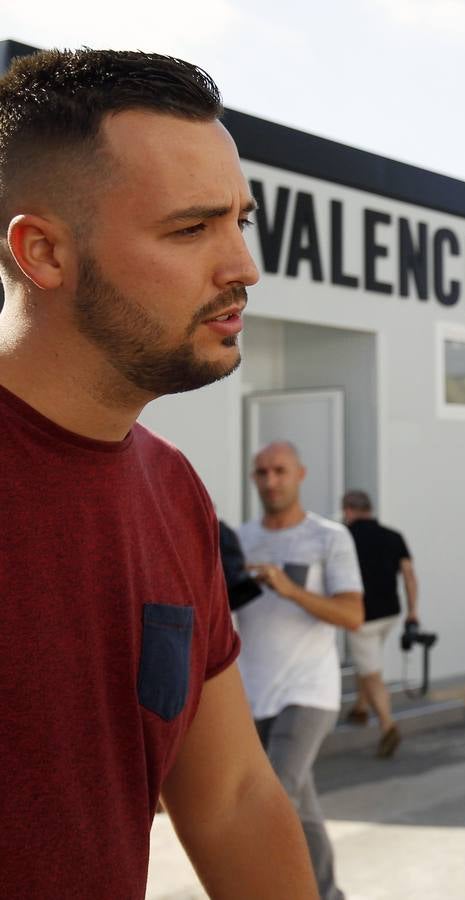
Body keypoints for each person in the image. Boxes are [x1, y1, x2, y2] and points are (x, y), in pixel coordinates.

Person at [0, 49, 315, 898]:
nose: (243, 266)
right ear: (43, 253)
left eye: (240, 221)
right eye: (190, 228)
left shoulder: (173, 492)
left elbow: (232, 798)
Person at [237, 440, 365, 900]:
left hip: (308, 692)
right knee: (302, 809)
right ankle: (327, 894)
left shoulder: (329, 537)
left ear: (300, 475)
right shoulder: (241, 538)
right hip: (251, 694)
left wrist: (289, 590)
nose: (270, 481)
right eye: (262, 473)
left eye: (280, 471)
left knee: (272, 801)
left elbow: (352, 615)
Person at [341, 488, 420, 757]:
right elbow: (409, 575)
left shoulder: (344, 538)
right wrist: (413, 612)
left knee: (372, 673)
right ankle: (361, 709)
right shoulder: (393, 536)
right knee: (369, 662)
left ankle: (388, 726)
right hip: (391, 613)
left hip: (362, 618)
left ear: (348, 510)